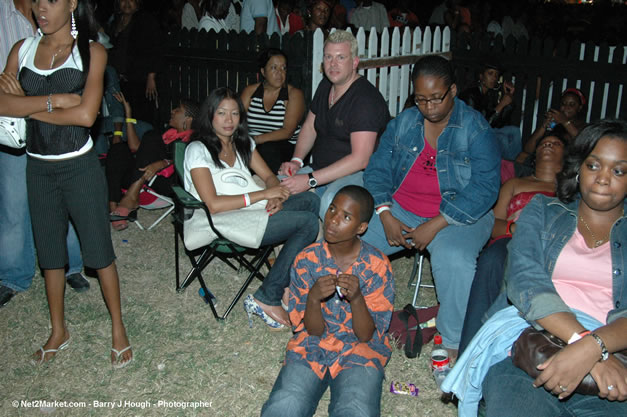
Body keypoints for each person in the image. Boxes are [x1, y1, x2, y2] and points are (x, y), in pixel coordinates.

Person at [0, 0, 132, 367]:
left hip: (80, 167)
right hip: (37, 166)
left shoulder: (91, 52)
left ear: (72, 3)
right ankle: (58, 330)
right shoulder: (22, 49)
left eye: (52, 0)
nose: (42, 7)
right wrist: (54, 101)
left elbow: (87, 114)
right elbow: (0, 104)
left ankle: (118, 328)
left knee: (99, 251)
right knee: (50, 254)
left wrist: (22, 103)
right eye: (38, 0)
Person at [479, 120, 627, 416]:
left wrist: (594, 349)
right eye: (594, 165)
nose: (602, 178)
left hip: (614, 357)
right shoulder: (543, 211)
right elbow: (525, 282)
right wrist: (584, 343)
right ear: (578, 168)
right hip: (534, 347)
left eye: (619, 170)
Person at [361, 55, 500, 357]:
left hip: (460, 216)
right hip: (400, 209)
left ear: (452, 91)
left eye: (437, 98)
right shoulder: (404, 123)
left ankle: (451, 344)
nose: (429, 107)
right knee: (351, 242)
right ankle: (345, 318)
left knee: (454, 258)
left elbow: (486, 188)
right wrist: (384, 213)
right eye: (421, 99)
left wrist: (436, 224)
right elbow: (377, 170)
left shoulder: (476, 129)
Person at [184, 87, 319, 329]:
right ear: (210, 115)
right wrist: (264, 194)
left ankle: (285, 279)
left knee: (311, 201)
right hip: (220, 220)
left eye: (234, 114)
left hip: (249, 210)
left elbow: (269, 177)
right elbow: (213, 204)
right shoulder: (198, 150)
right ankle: (268, 296)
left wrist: (274, 196)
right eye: (222, 113)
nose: (229, 120)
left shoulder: (243, 143)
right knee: (308, 223)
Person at [261, 185, 395, 417]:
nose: (333, 220)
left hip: (360, 349)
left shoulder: (376, 265)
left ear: (361, 227)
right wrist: (313, 299)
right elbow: (310, 331)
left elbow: (366, 335)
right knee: (285, 405)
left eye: (346, 217)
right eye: (332, 209)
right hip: (312, 345)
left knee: (357, 409)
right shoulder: (307, 259)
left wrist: (356, 299)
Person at [0, 0, 90, 308]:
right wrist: (45, 100)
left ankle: (73, 266)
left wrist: (26, 100)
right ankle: (13, 275)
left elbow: (80, 103)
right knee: (13, 207)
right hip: (14, 128)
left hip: (55, 135)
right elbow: (5, 91)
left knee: (64, 202)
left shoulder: (67, 21)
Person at [458, 135, 567, 355]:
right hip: (511, 240)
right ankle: (470, 351)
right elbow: (491, 223)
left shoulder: (570, 190)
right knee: (492, 260)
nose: (548, 145)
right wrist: (516, 229)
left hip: (552, 246)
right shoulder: (516, 183)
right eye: (544, 143)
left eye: (556, 144)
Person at [278, 30, 389, 219]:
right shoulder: (326, 85)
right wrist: (296, 161)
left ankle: (323, 244)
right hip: (320, 169)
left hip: (360, 174)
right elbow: (309, 126)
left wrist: (310, 180)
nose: (333, 64)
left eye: (340, 57)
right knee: (280, 186)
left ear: (354, 62)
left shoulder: (365, 100)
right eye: (328, 57)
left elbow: (360, 159)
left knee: (331, 203)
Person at [106, 94, 199, 231]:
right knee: (118, 148)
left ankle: (130, 197)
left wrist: (163, 163)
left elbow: (186, 164)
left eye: (178, 109)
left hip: (166, 183)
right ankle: (114, 206)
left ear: (188, 119)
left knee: (151, 136)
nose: (172, 111)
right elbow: (134, 147)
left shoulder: (194, 140)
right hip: (144, 177)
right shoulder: (166, 134)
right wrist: (129, 114)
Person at [240, 48, 304, 174]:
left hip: (284, 147)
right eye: (274, 68)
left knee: (268, 149)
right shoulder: (250, 92)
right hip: (254, 145)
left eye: (283, 68)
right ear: (263, 71)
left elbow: (287, 132)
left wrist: (255, 140)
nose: (280, 73)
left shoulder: (293, 95)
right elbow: (237, 120)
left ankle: (266, 185)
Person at [106, 0, 163, 125]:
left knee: (140, 117)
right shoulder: (114, 21)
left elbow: (155, 49)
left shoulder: (145, 21)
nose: (127, 3)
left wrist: (151, 76)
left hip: (140, 80)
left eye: (131, 0)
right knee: (121, 117)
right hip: (119, 80)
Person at [520, 87, 587, 162]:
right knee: (522, 156)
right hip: (544, 159)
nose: (566, 107)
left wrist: (565, 122)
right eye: (563, 104)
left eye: (571, 105)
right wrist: (544, 126)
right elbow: (528, 150)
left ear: (579, 108)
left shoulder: (584, 127)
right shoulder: (556, 124)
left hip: (564, 163)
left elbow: (583, 144)